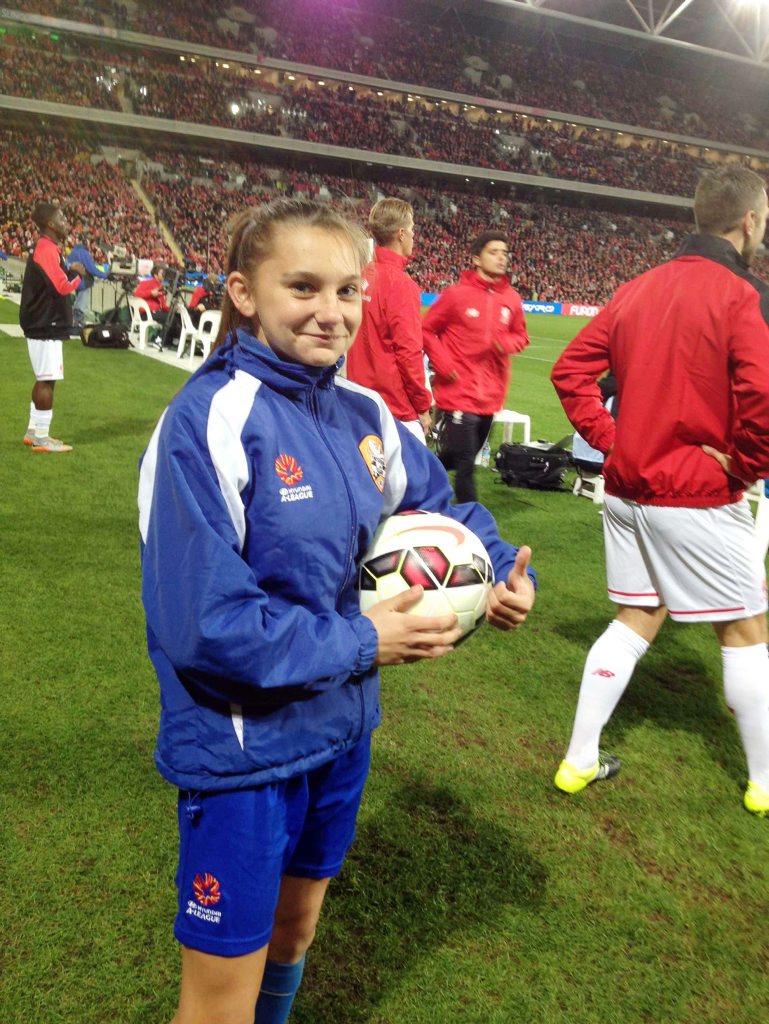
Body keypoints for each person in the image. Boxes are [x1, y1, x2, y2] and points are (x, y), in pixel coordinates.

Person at [138, 198, 537, 1024]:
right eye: (304, 287)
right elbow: (205, 623)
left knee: (296, 928)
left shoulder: (363, 412)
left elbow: (440, 503)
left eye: (348, 290)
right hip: (245, 747)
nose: (332, 312)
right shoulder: (208, 422)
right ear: (244, 294)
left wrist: (497, 571)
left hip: (339, 730)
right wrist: (363, 640)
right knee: (218, 996)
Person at [550, 166, 769, 816]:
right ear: (749, 221)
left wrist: (612, 440)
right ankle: (762, 781)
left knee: (637, 616)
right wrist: (745, 467)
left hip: (624, 490)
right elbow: (759, 393)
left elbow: (570, 372)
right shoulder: (742, 293)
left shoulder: (636, 286)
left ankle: (578, 759)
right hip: (694, 493)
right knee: (744, 629)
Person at [422, 230, 529, 503]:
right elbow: (426, 330)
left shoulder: (512, 299)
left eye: (504, 253)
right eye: (494, 252)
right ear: (476, 259)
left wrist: (506, 343)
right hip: (458, 391)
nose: (501, 257)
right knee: (468, 464)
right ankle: (471, 518)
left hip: (490, 395)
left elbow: (522, 336)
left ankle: (418, 477)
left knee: (454, 457)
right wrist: (443, 364)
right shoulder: (456, 295)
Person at [345, 197, 433, 442]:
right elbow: (409, 352)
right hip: (395, 410)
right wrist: (423, 406)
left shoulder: (358, 276)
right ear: (401, 234)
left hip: (358, 402)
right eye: (413, 229)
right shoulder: (401, 285)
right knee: (416, 480)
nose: (415, 236)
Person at [19, 201, 85, 454]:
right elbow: (62, 286)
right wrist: (78, 274)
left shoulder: (48, 249)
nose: (66, 222)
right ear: (50, 224)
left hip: (43, 323)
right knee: (47, 380)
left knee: (45, 379)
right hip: (45, 324)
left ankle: (34, 432)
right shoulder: (46, 249)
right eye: (61, 218)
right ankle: (41, 439)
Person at [67, 234, 109, 327]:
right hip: (84, 281)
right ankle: (78, 321)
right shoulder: (84, 253)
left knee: (79, 299)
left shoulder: (72, 252)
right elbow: (92, 269)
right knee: (81, 303)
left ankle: (76, 320)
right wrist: (105, 275)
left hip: (75, 281)